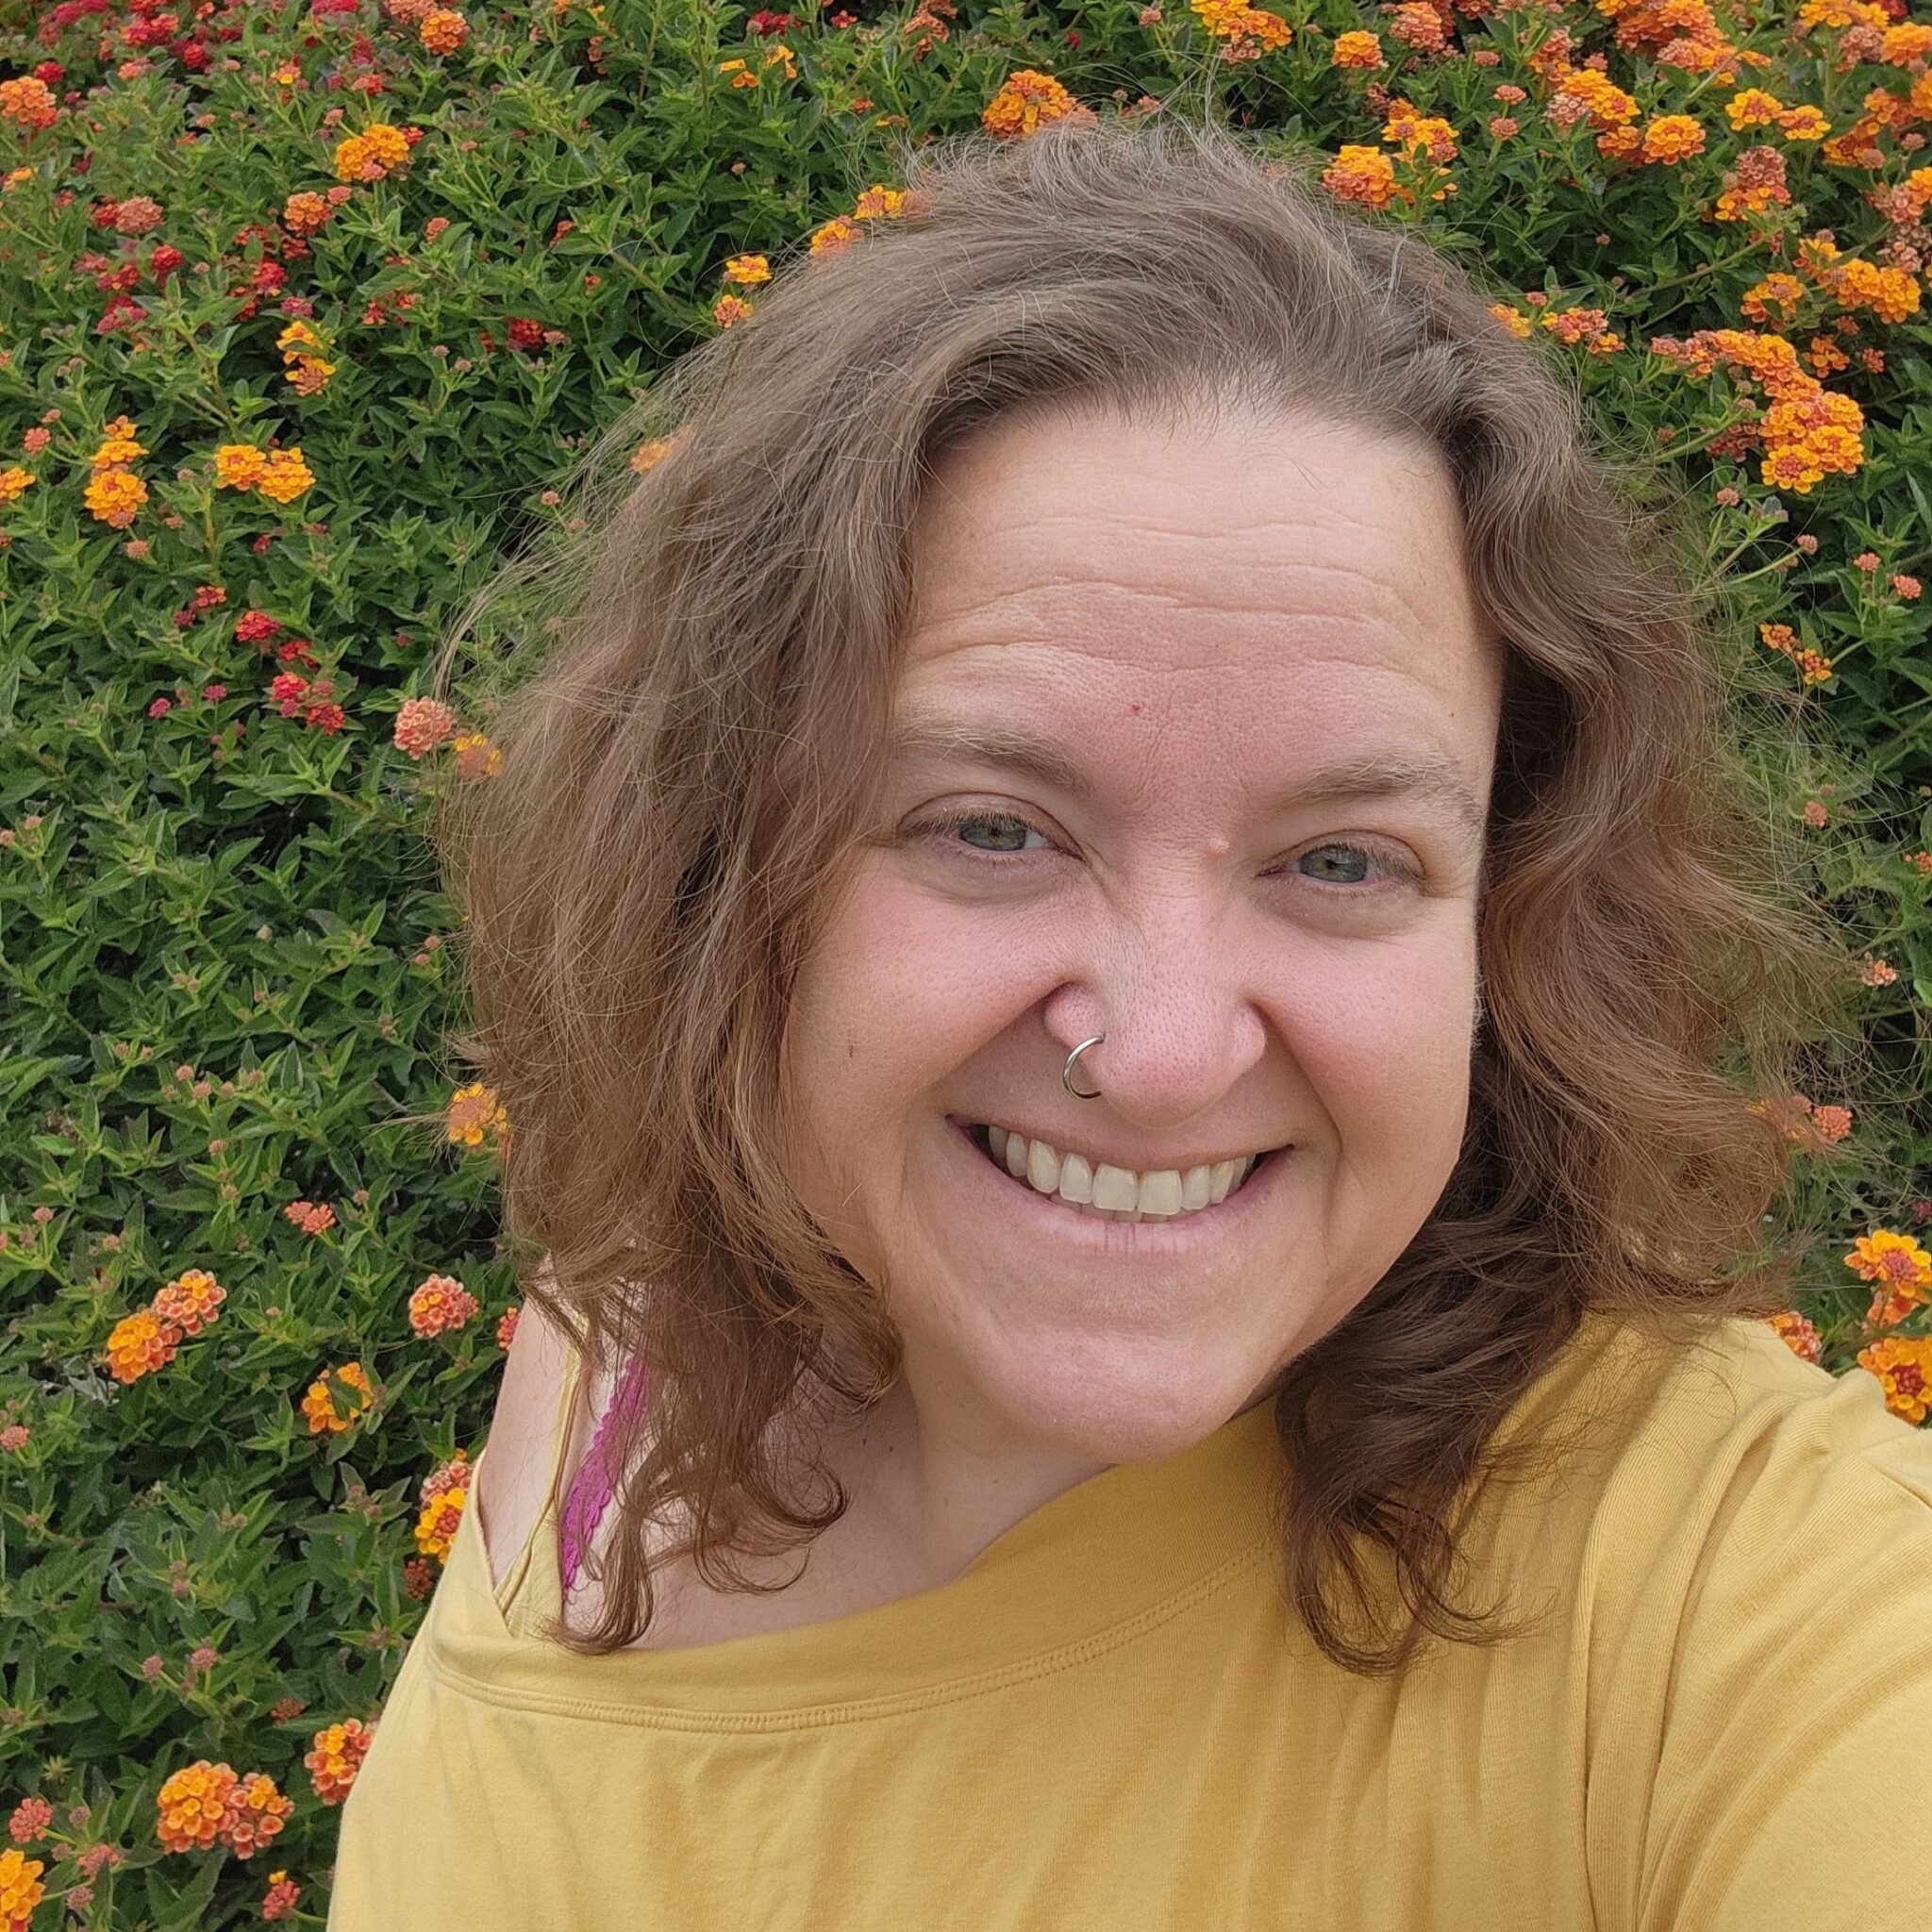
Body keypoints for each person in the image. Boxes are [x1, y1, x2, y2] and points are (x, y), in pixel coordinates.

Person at [328, 113, 1928, 1929]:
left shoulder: (1732, 1599)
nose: (1165, 1059)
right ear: (716, 866)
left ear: (1506, 915)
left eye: (1344, 860)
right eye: (992, 829)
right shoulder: (616, 1336)